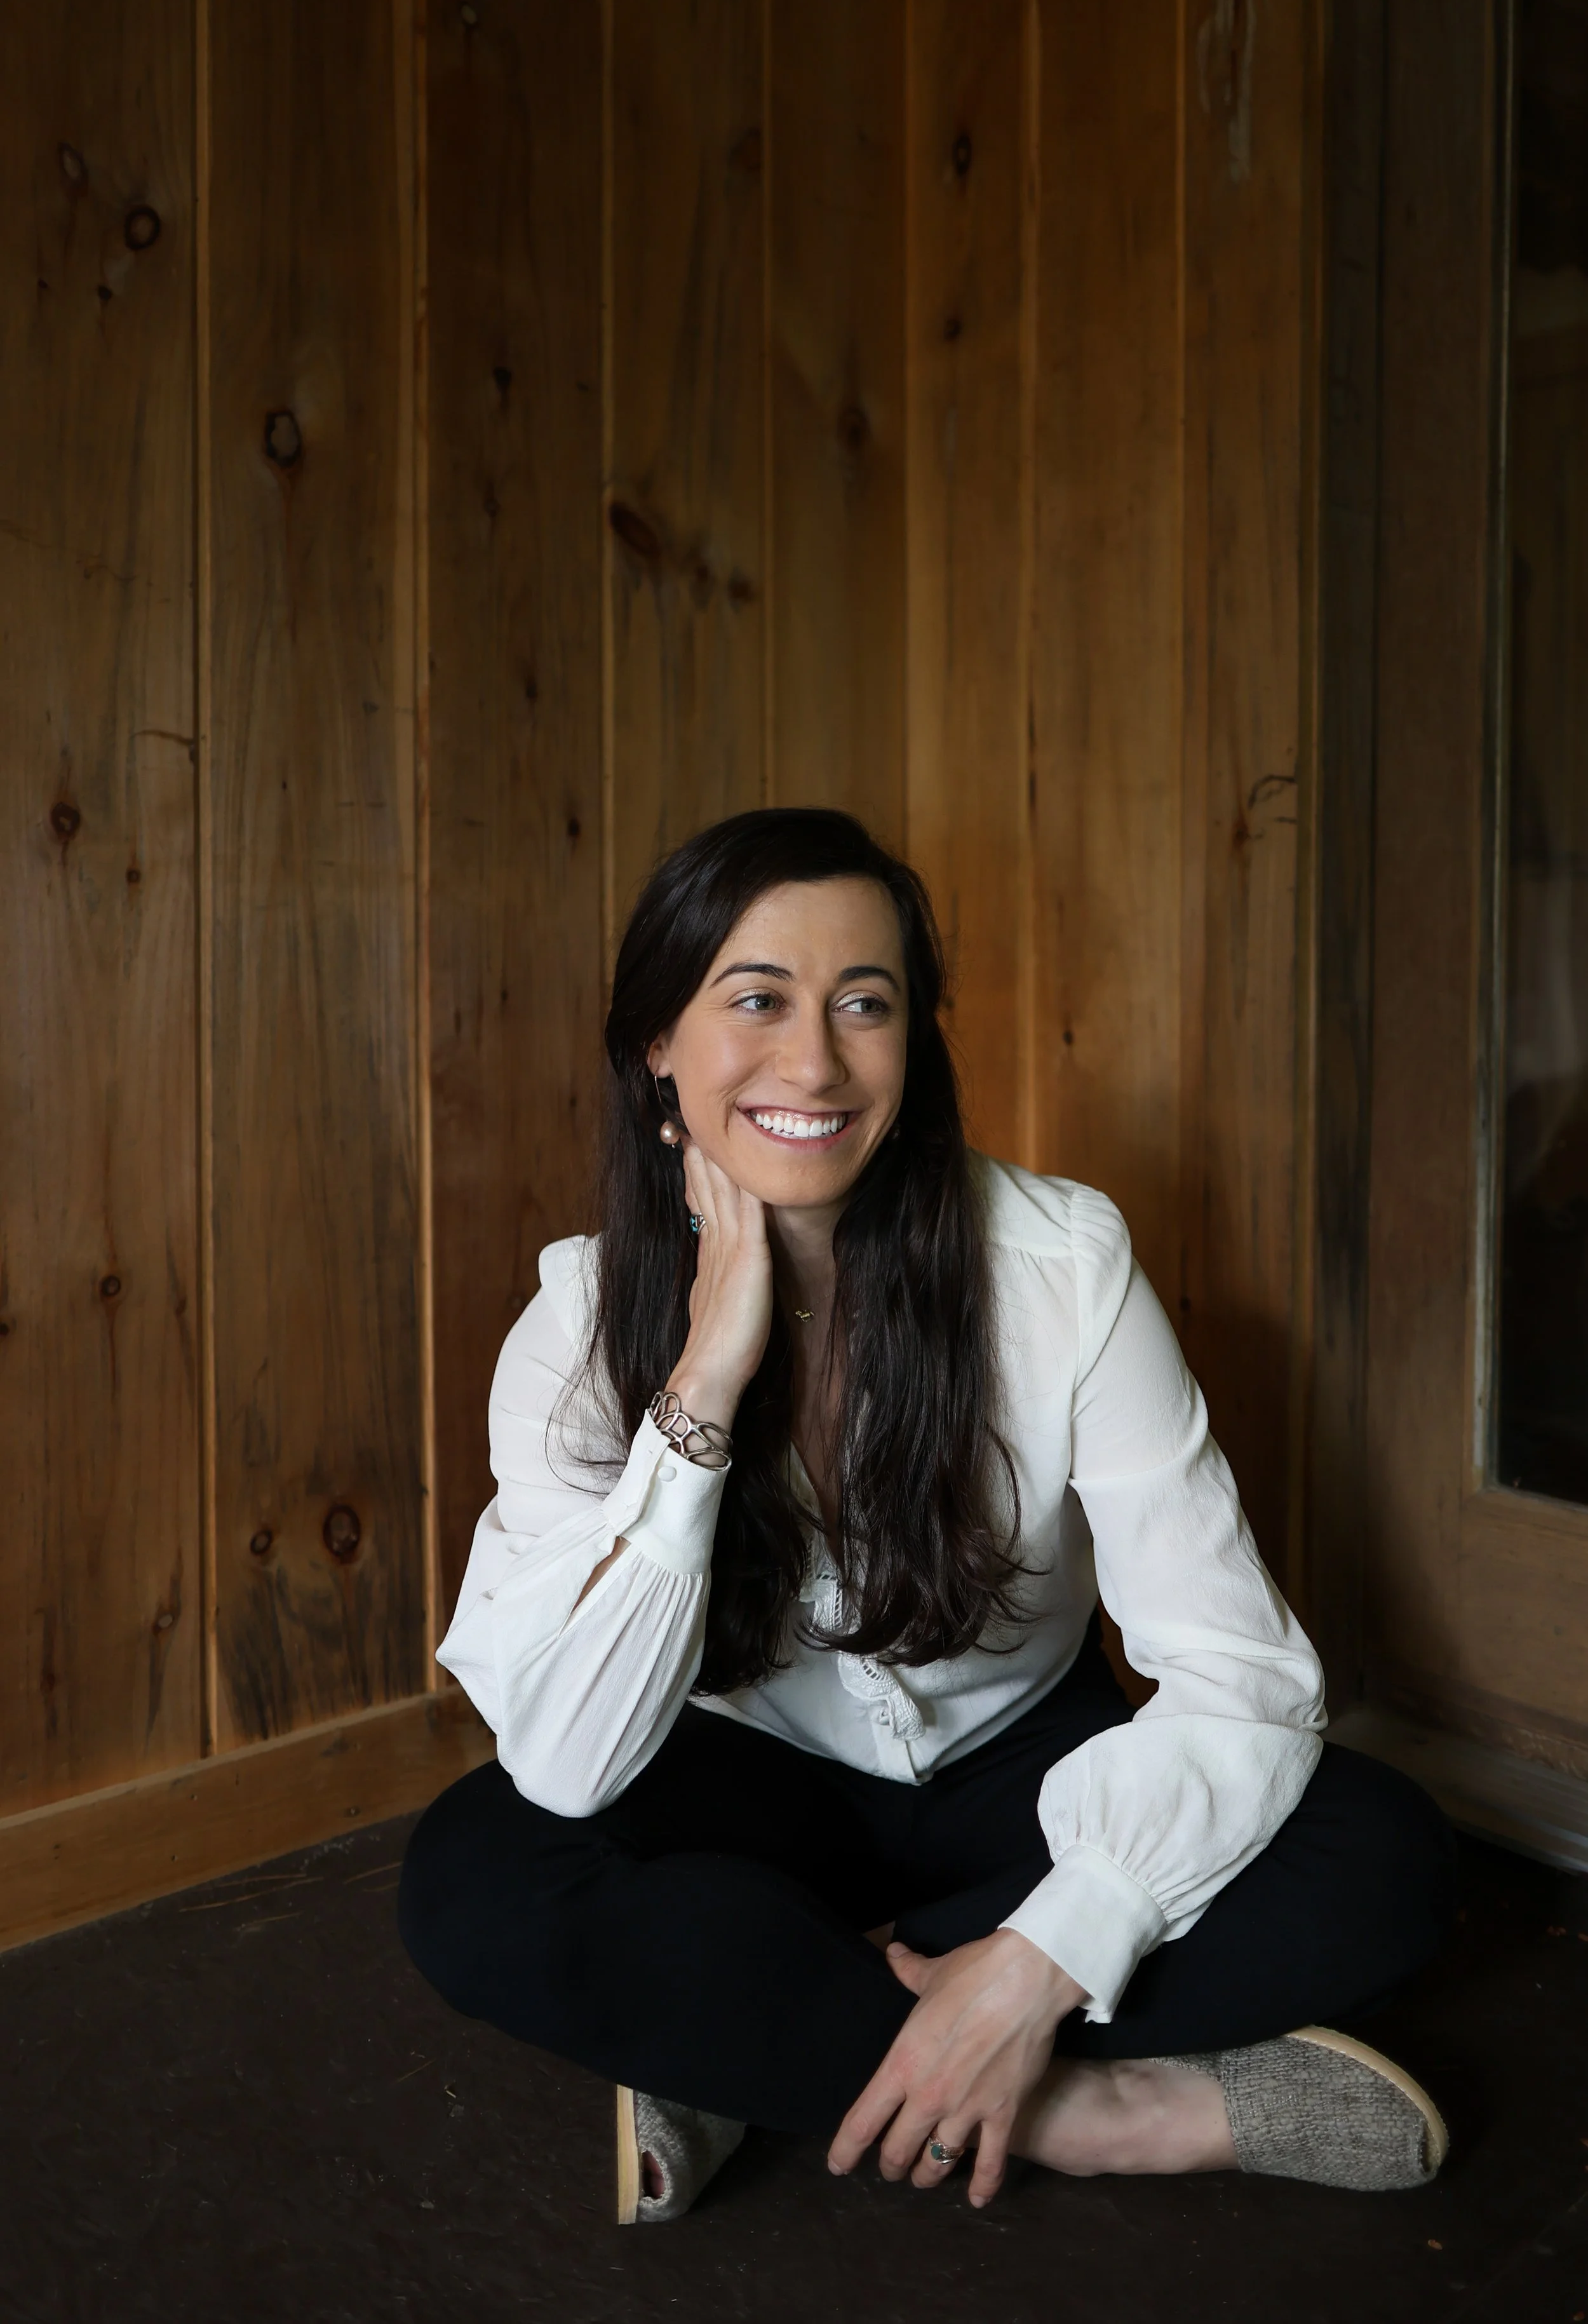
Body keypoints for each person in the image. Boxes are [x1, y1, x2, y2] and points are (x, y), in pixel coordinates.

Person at [400, 807, 1455, 2224]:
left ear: (914, 1045)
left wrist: (1040, 1952)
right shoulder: (576, 1327)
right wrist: (706, 1379)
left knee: (1380, 1856)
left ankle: (746, 2031)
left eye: (865, 1005)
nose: (815, 1062)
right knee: (476, 1878)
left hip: (1023, 1779)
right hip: (748, 1789)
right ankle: (1096, 2115)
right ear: (658, 1040)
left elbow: (1242, 1679)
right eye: (756, 1000)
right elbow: (576, 1762)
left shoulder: (1061, 1264)